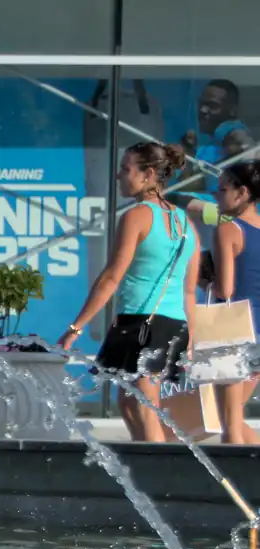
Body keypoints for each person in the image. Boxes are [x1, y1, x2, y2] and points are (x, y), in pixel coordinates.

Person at [60, 141, 201, 443]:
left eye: (126, 169)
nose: (119, 176)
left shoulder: (137, 215)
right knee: (129, 404)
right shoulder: (186, 223)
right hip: (172, 323)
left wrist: (76, 327)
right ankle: (145, 473)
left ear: (148, 174)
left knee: (144, 406)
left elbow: (111, 277)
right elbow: (189, 292)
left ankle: (162, 478)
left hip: (142, 323)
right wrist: (191, 338)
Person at [207, 160, 260, 444]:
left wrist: (205, 281)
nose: (216, 196)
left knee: (229, 428)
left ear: (241, 193)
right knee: (235, 419)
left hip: (234, 331)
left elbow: (225, 290)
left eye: (221, 190)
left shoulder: (229, 230)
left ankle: (237, 484)